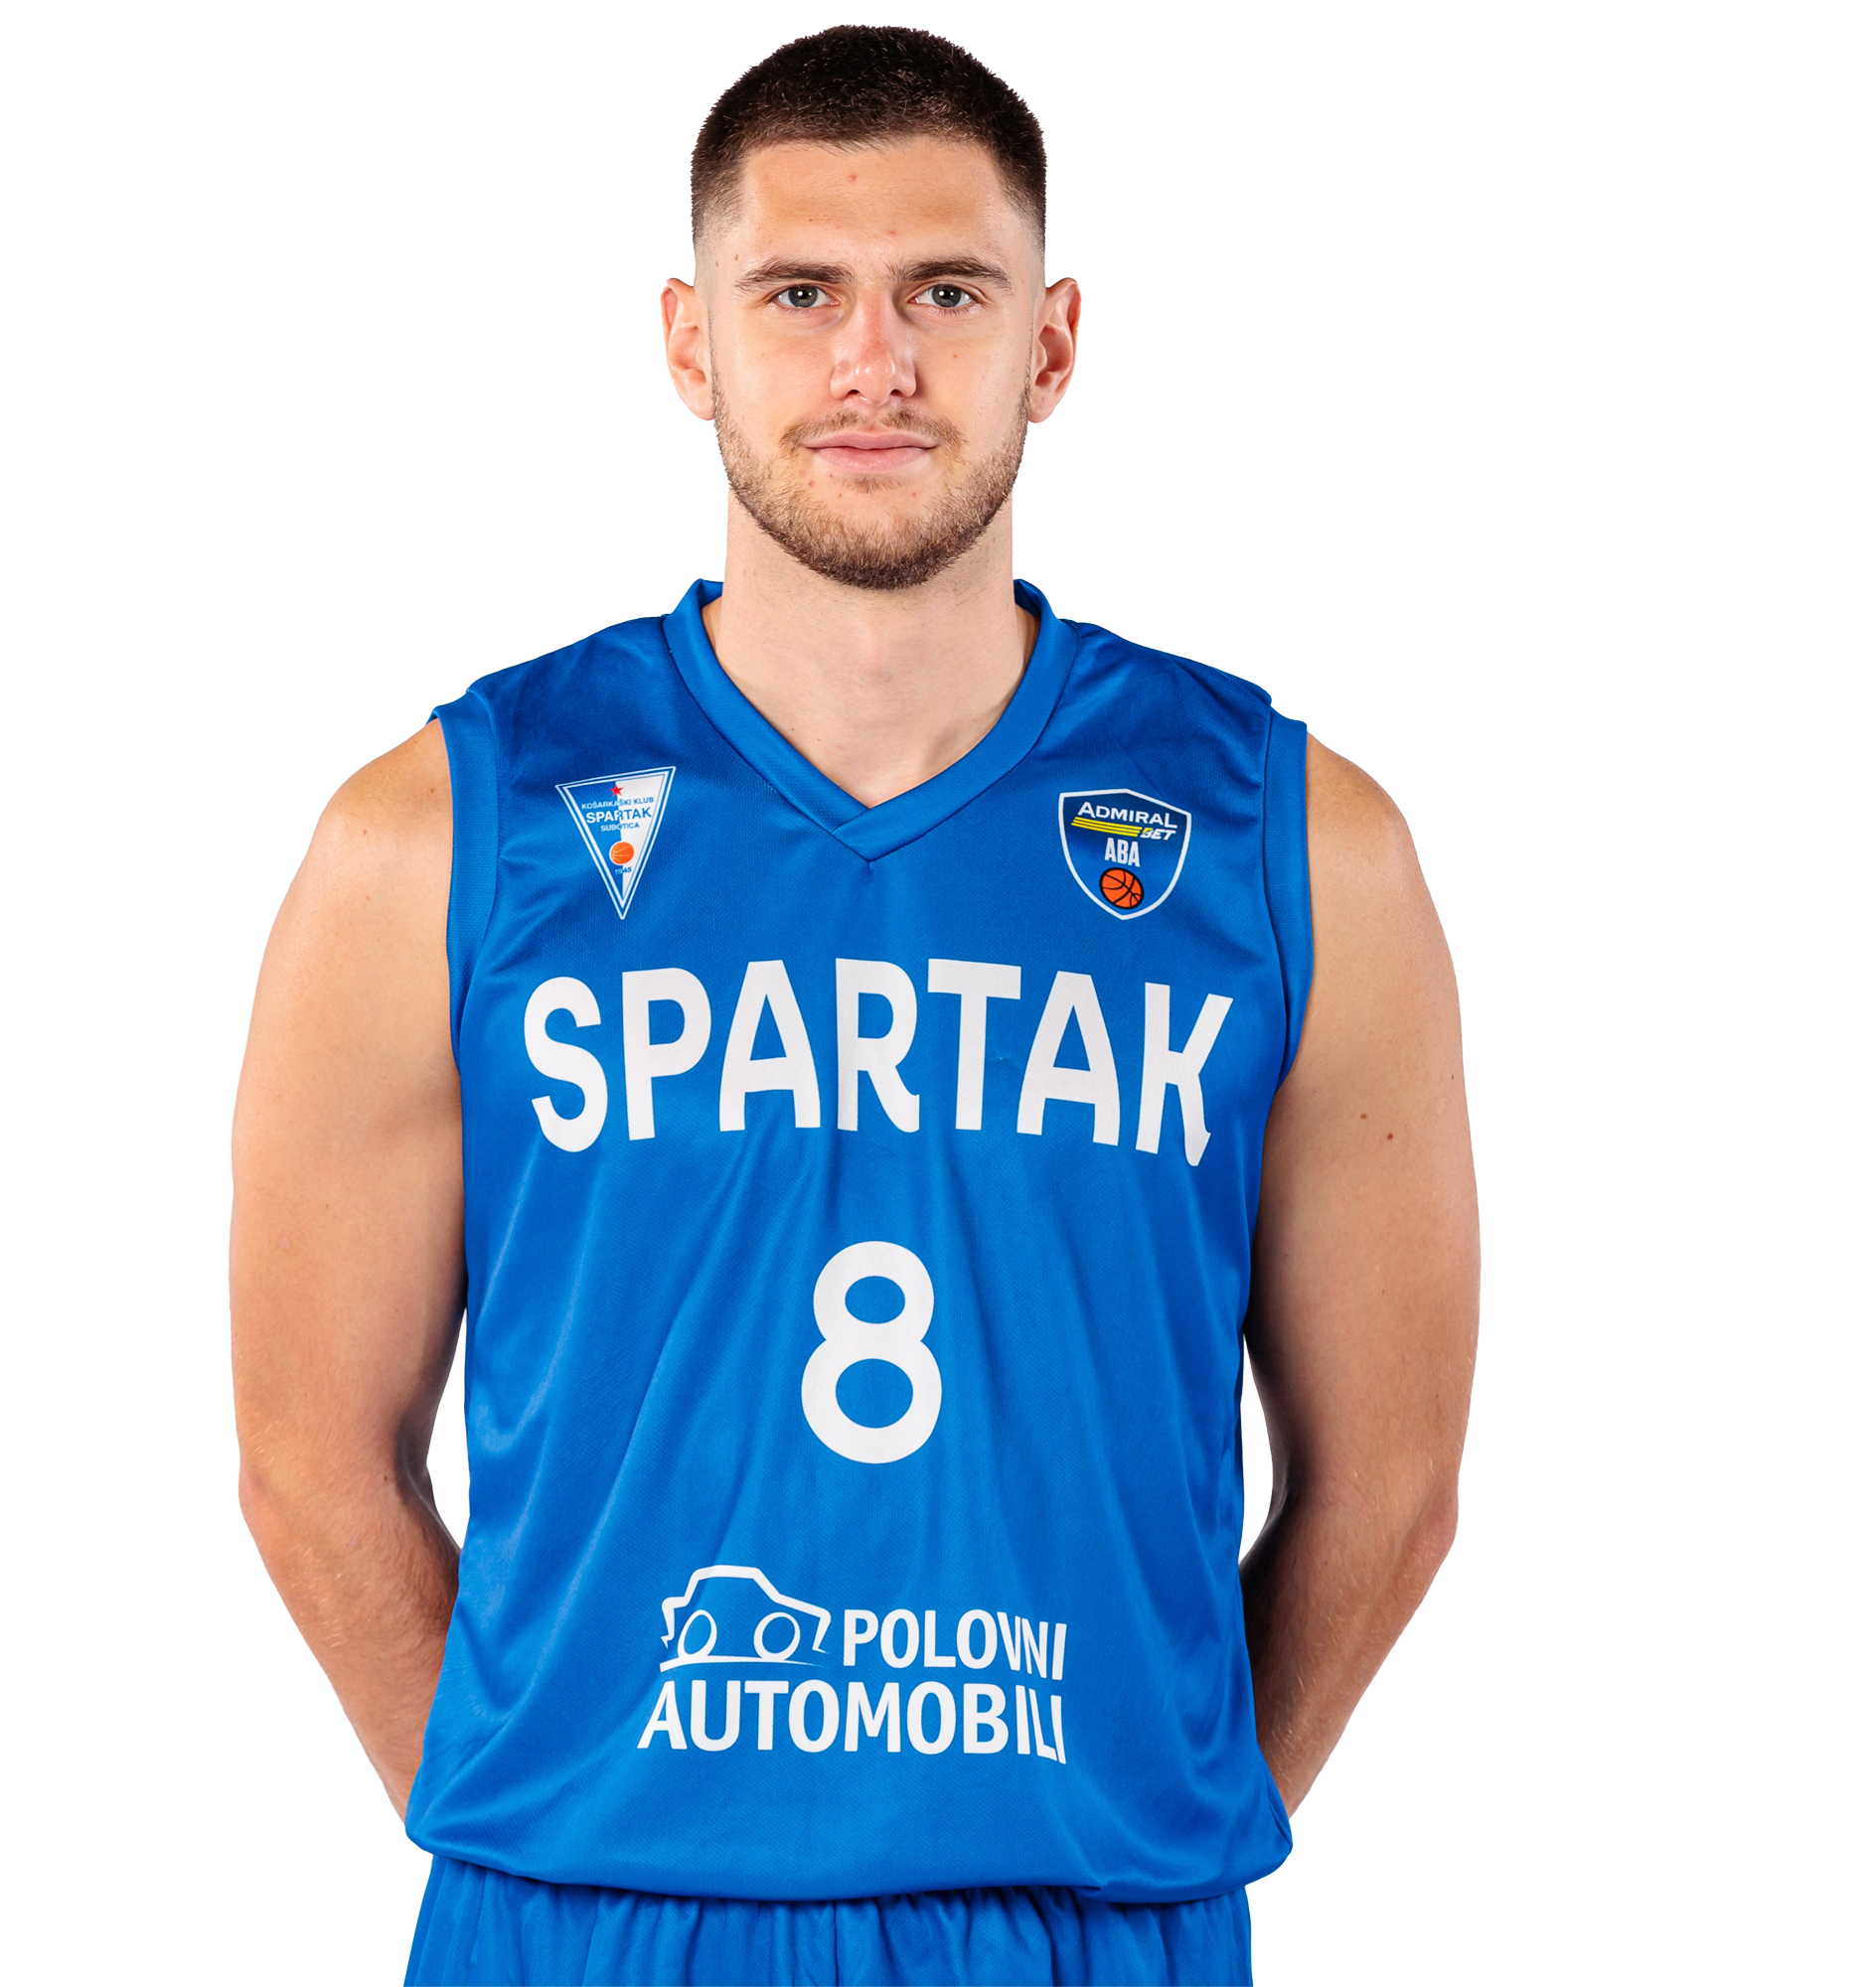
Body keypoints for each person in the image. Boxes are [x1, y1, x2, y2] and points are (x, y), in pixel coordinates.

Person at [232, 25, 1478, 1986]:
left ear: (1051, 343)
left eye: (947, 294)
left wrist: (1139, 1822)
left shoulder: (1295, 849)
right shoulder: (438, 839)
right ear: (689, 342)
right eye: (798, 293)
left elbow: (1389, 1492)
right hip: (584, 1918)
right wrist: (563, 1824)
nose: (873, 364)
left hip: (1088, 1920)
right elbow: (309, 1462)